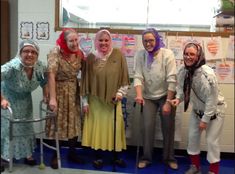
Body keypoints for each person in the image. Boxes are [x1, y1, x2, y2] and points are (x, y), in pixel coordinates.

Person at [170, 42, 226, 174]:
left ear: (198, 56)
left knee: (212, 141)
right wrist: (178, 99)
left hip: (215, 112)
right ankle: (195, 166)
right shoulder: (183, 71)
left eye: (192, 54)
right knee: (192, 138)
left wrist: (205, 119)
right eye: (186, 54)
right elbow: (182, 90)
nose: (188, 57)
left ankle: (213, 170)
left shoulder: (207, 75)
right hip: (197, 111)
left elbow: (212, 100)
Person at [80, 29, 130, 169]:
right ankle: (98, 156)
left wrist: (120, 93)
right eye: (100, 40)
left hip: (113, 101)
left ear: (110, 41)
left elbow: (124, 78)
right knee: (98, 128)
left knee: (115, 127)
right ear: (95, 41)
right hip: (95, 101)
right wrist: (84, 102)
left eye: (106, 40)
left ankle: (116, 156)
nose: (103, 43)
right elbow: (84, 82)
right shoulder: (90, 57)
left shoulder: (118, 55)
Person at [133, 28, 178, 169]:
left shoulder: (167, 54)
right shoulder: (140, 55)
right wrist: (139, 95)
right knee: (147, 127)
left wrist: (168, 103)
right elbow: (138, 76)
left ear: (157, 40)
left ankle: (169, 158)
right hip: (148, 96)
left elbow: (172, 79)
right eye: (145, 41)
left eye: (151, 40)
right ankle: (146, 157)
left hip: (166, 95)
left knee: (168, 127)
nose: (148, 44)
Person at [1, 39, 47, 167]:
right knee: (8, 128)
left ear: (37, 55)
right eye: (26, 51)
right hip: (8, 99)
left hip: (25, 100)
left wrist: (46, 95)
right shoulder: (12, 67)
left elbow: (45, 81)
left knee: (26, 126)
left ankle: (27, 154)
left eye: (33, 52)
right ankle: (5, 156)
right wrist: (2, 99)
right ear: (20, 53)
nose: (30, 54)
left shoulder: (39, 66)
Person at [46, 28, 85, 169]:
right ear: (64, 41)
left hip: (73, 91)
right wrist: (52, 98)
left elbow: (87, 72)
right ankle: (55, 155)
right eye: (71, 41)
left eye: (76, 40)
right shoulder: (55, 52)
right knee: (58, 123)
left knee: (74, 123)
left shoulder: (79, 54)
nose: (74, 43)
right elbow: (51, 75)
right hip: (59, 91)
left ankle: (72, 153)